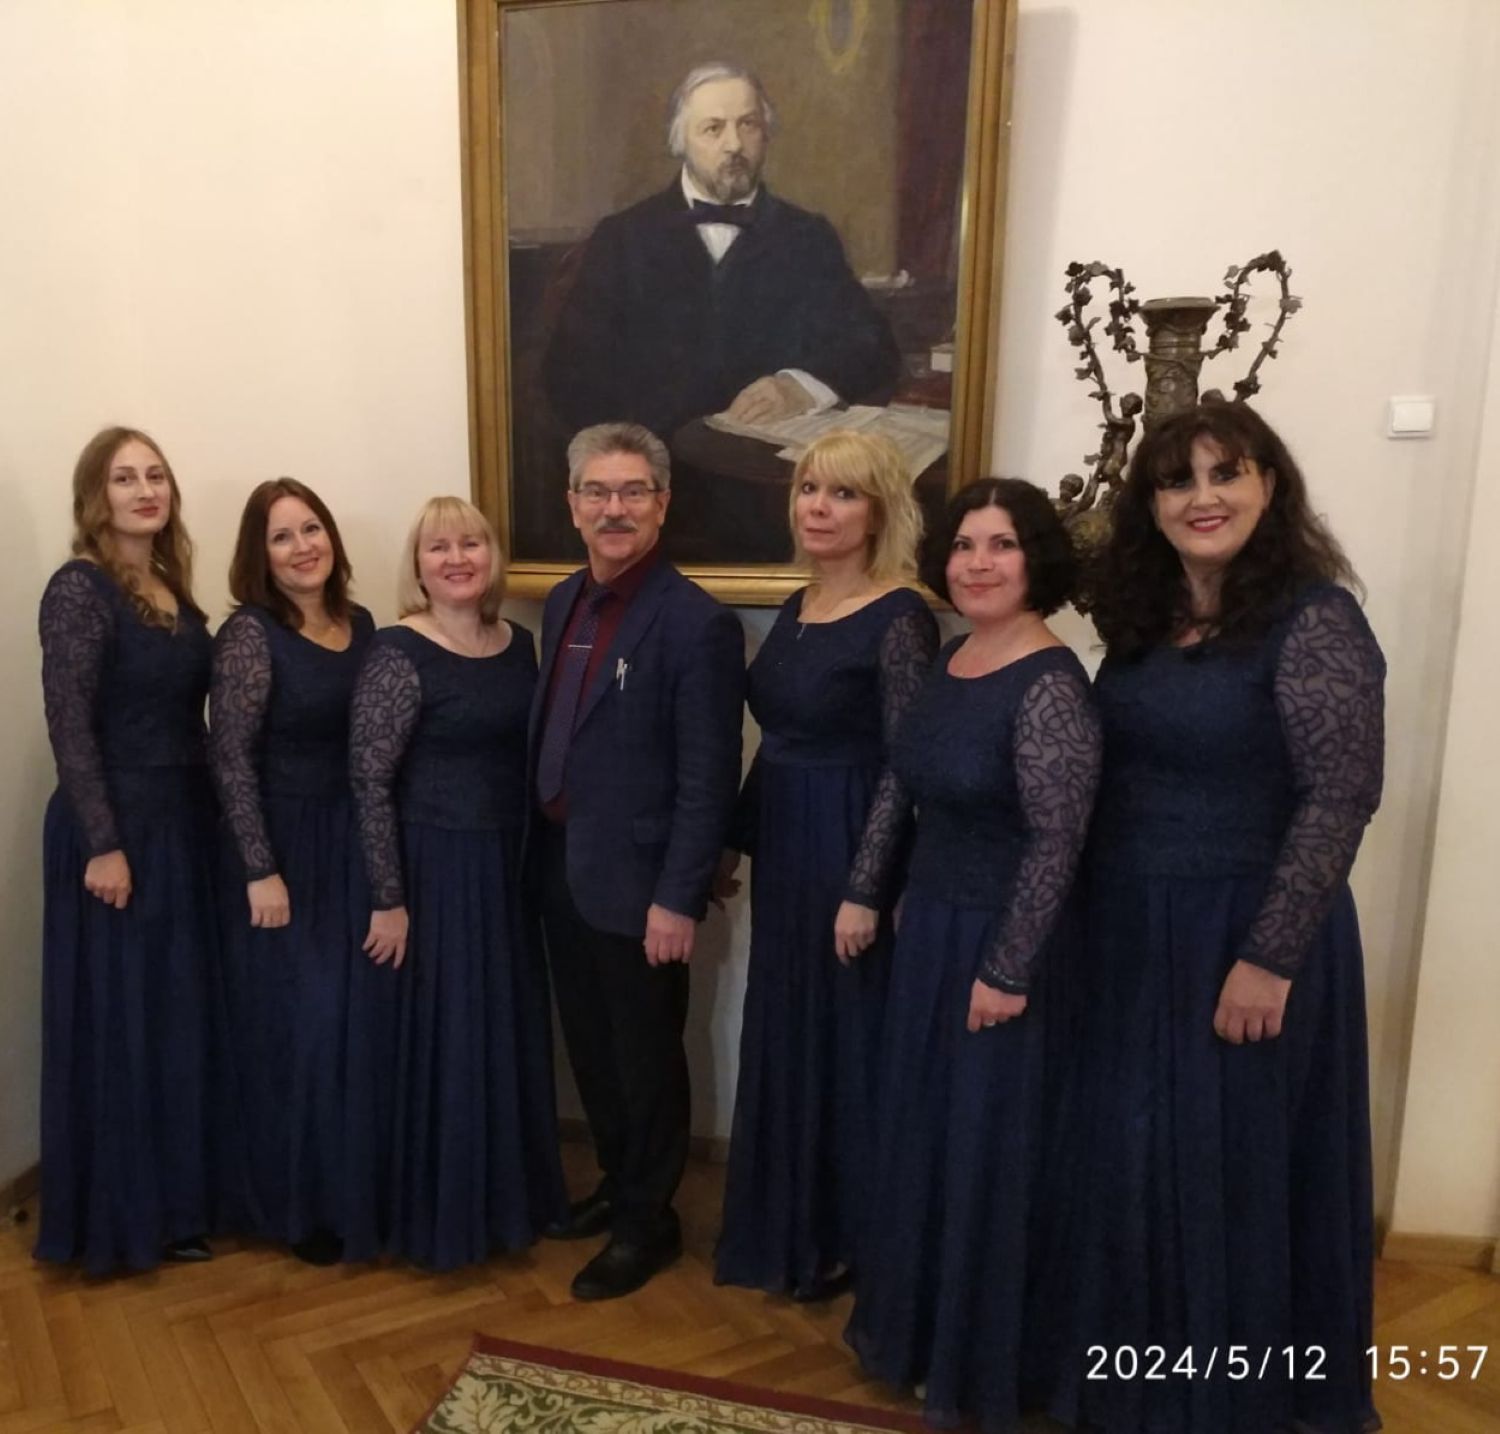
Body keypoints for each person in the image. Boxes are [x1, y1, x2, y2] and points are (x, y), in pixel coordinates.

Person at [1048, 401, 1384, 1433]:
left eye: (1226, 473)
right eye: (1177, 480)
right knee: (1134, 1159)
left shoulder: (1315, 619)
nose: (1203, 497)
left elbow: (1339, 798)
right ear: (1150, 505)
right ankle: (1138, 1387)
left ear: (1269, 486)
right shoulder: (1144, 622)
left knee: (1227, 1168)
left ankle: (1229, 1400)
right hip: (1129, 928)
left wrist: (1269, 958)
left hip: (1247, 928)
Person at [845, 478, 1102, 1432]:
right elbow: (905, 784)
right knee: (927, 1137)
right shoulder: (953, 658)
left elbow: (1057, 841)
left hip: (1004, 946)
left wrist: (1007, 968)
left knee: (988, 1151)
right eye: (963, 545)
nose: (978, 563)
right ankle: (919, 1336)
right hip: (933, 935)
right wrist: (873, 889)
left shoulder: (1052, 684)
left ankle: (978, 1359)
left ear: (1037, 560)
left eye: (1001, 545)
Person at [714, 430, 938, 1301]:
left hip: (850, 840)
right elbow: (778, 741)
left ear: (879, 511)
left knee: (849, 1041)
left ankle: (847, 1238)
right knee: (789, 1028)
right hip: (787, 845)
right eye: (809, 488)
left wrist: (866, 887)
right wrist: (732, 842)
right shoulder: (798, 605)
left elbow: (906, 765)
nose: (818, 506)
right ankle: (787, 1228)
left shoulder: (901, 616)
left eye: (843, 493)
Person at [532, 421, 745, 1300]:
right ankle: (618, 1184)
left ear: (662, 504)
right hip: (560, 865)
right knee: (590, 1046)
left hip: (641, 884)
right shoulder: (561, 601)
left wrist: (678, 897)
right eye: (597, 491)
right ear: (572, 504)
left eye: (632, 492)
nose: (613, 508)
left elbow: (708, 775)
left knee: (646, 1059)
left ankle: (647, 1223)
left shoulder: (696, 623)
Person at [36, 426, 244, 1274]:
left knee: (174, 1018)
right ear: (97, 496)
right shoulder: (79, 588)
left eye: (155, 475)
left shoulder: (170, 584)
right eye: (125, 478)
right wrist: (103, 842)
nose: (145, 490)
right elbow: (69, 722)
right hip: (116, 829)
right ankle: (119, 1217)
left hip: (182, 823)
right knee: (122, 1021)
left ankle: (178, 1205)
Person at [349, 497, 566, 1271]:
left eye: (470, 543)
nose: (456, 559)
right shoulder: (397, 651)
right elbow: (369, 780)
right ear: (418, 565)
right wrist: (389, 898)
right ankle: (441, 1214)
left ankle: (506, 1202)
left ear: (491, 556)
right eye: (438, 547)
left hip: (507, 865)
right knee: (448, 1038)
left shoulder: (519, 645)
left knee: (500, 1030)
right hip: (432, 867)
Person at [543, 62, 900, 441]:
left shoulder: (808, 236)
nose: (734, 145)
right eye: (713, 128)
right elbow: (571, 374)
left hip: (768, 466)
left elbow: (871, 346)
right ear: (680, 141)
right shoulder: (622, 238)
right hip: (658, 463)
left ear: (766, 135)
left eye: (748, 125)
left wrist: (799, 387)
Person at [209, 478, 375, 1265]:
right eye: (282, 536)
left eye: (312, 528)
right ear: (260, 555)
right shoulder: (249, 634)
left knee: (350, 1026)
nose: (303, 546)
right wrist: (259, 868)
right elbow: (230, 758)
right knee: (298, 1031)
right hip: (280, 850)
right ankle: (294, 1207)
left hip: (353, 841)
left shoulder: (362, 624)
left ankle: (349, 1192)